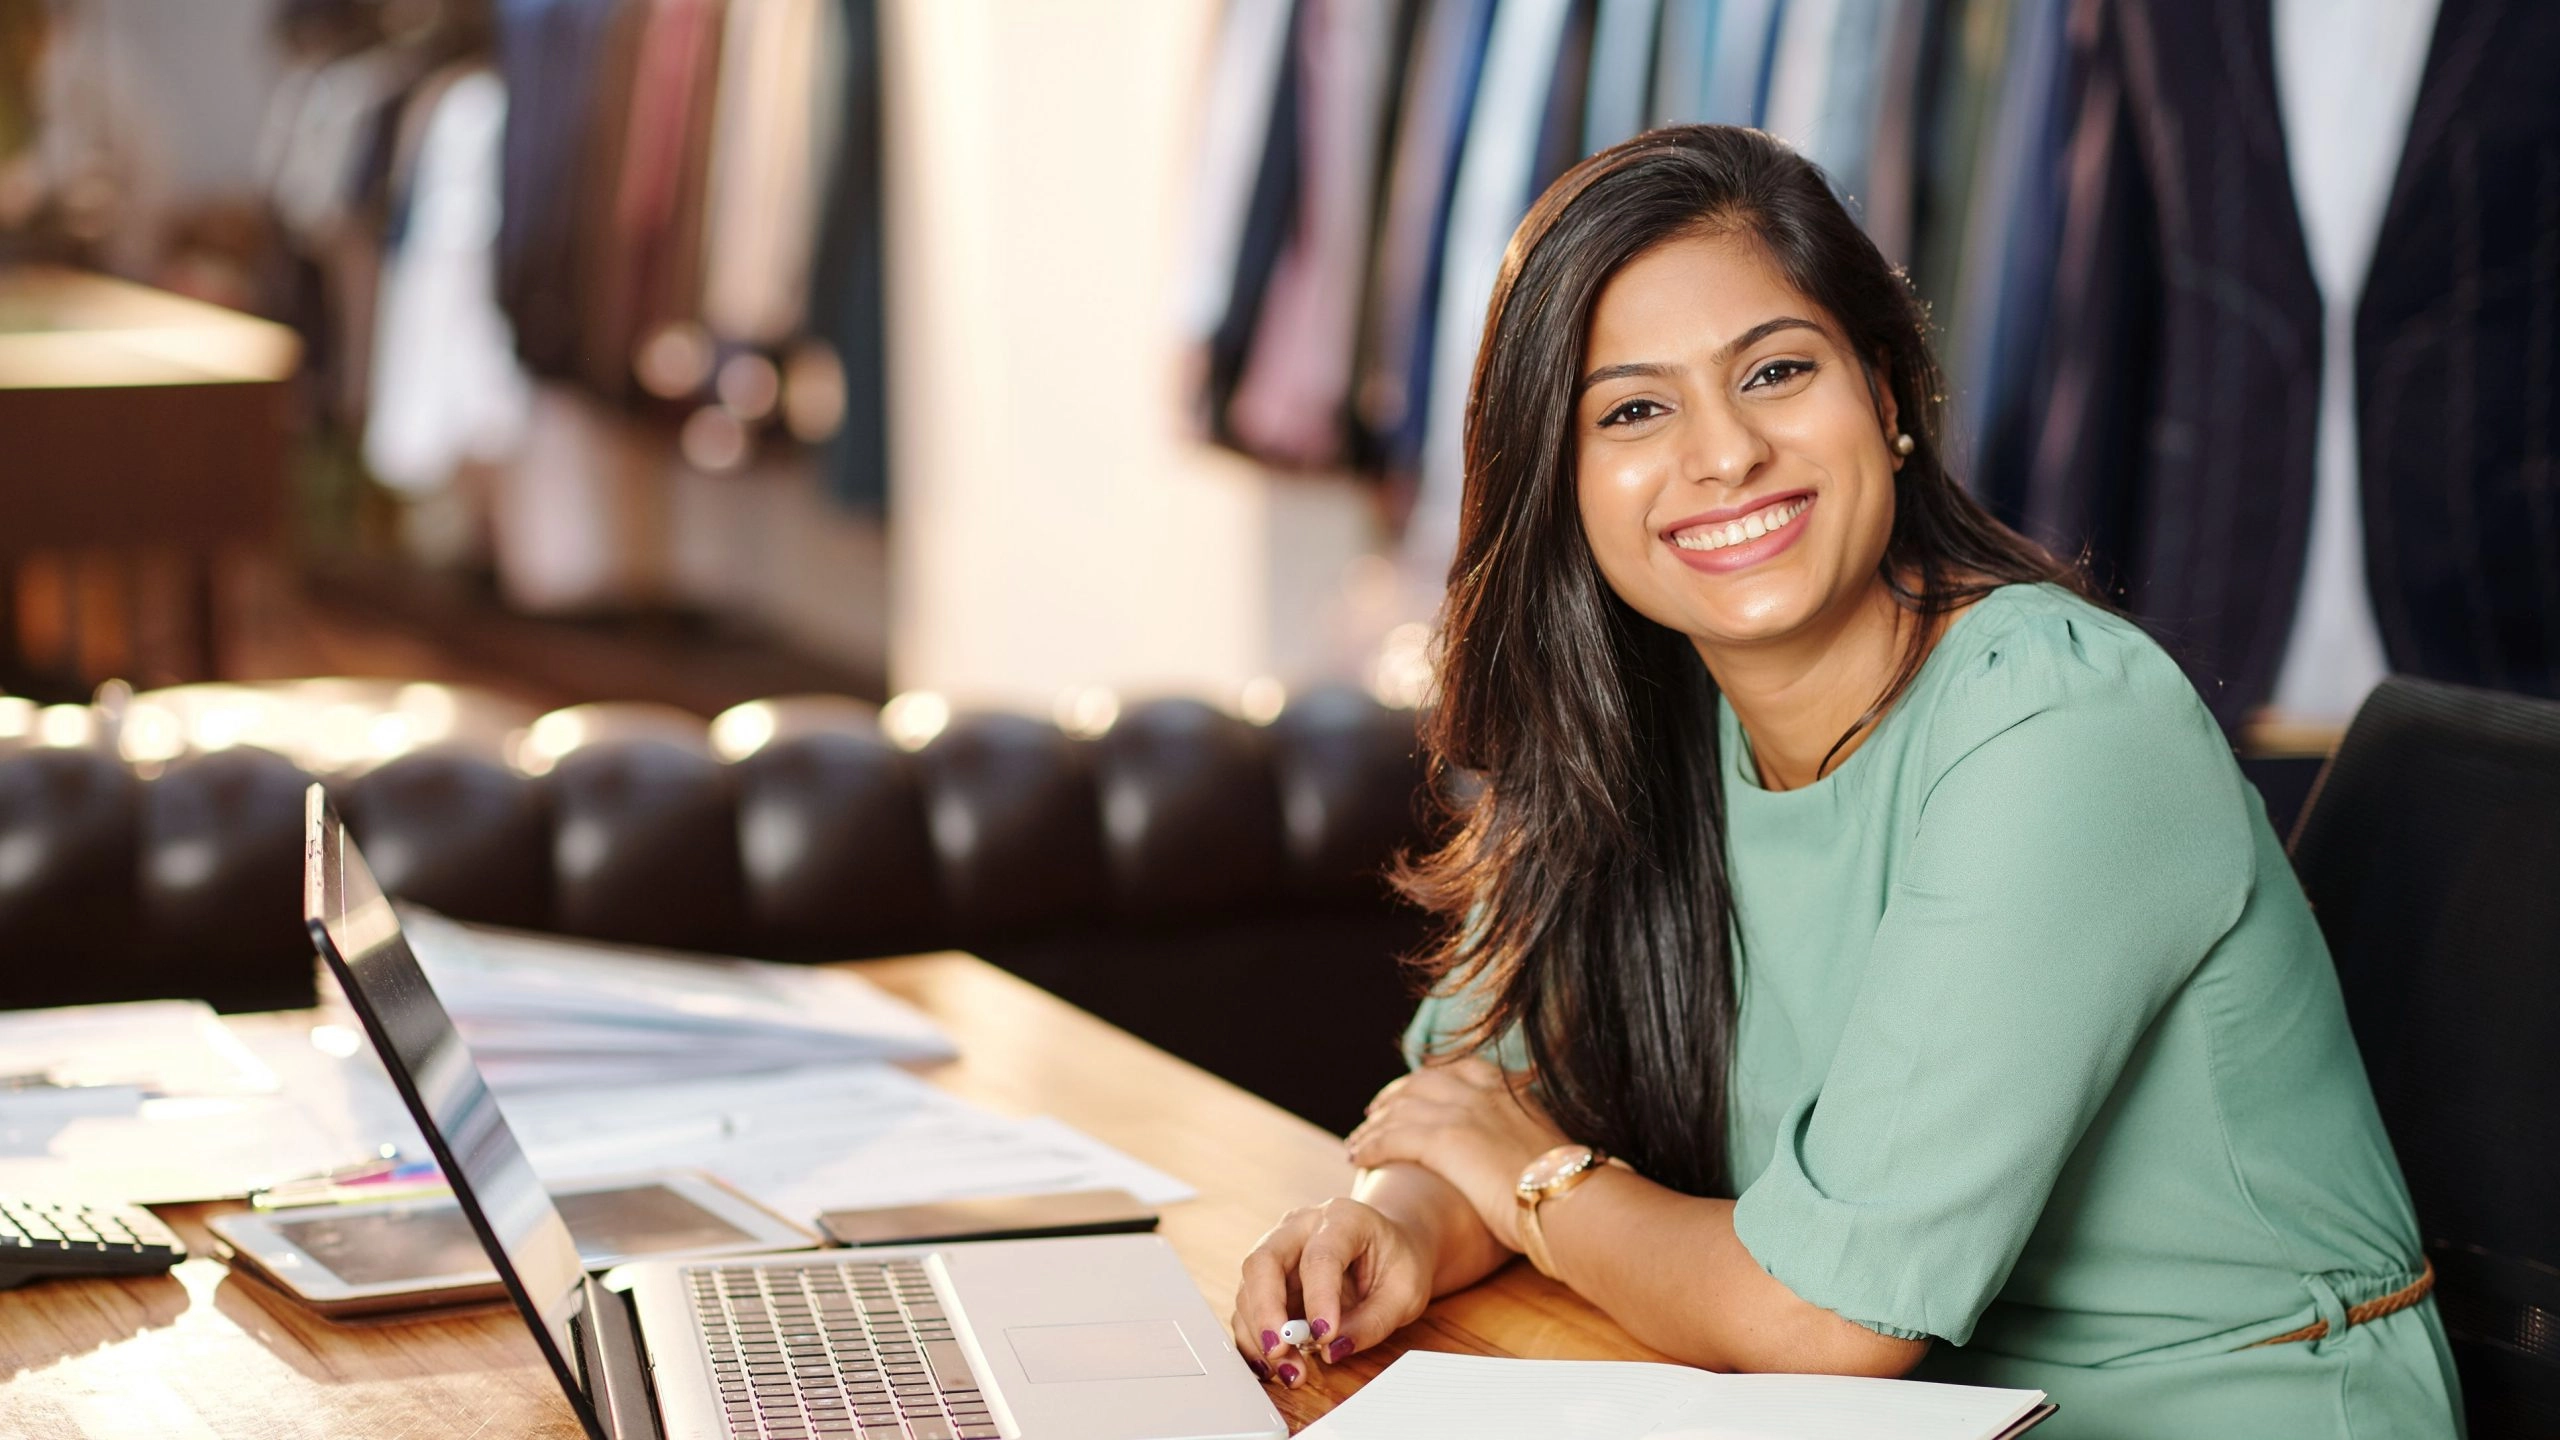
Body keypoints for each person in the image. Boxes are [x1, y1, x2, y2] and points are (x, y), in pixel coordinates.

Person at [1228, 126, 2462, 1438]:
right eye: (1635, 408)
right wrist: (1399, 1229)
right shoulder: (1636, 729)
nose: (1726, 454)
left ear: (1886, 391)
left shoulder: (2058, 718)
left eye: (1775, 371)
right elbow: (1475, 1103)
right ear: (1563, 480)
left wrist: (1526, 1180)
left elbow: (1828, 1318)